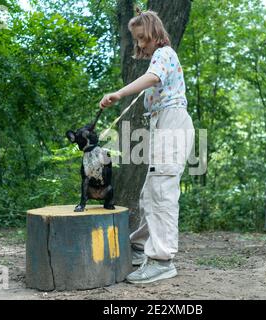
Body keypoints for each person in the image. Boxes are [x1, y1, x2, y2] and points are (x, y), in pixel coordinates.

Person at [99, 8, 194, 284]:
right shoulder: (157, 58)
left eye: (142, 38)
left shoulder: (164, 54)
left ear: (154, 33)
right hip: (162, 124)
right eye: (137, 40)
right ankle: (140, 247)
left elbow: (152, 78)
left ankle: (163, 260)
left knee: (162, 191)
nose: (140, 44)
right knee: (150, 192)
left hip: (172, 122)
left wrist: (119, 93)